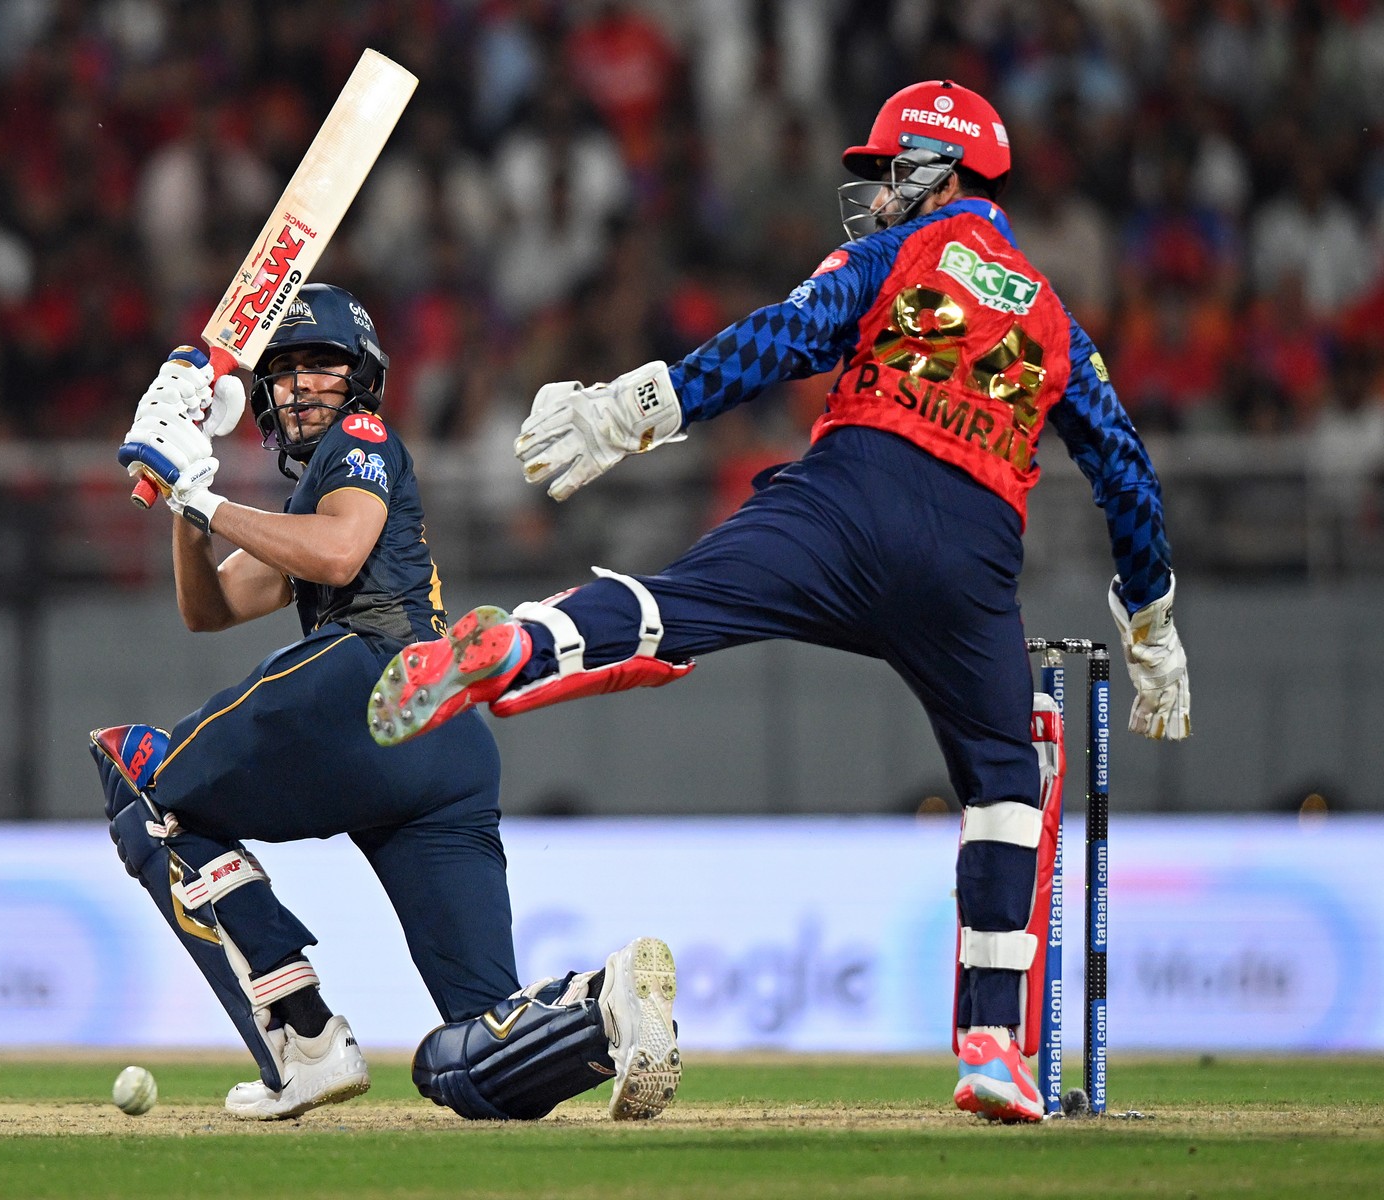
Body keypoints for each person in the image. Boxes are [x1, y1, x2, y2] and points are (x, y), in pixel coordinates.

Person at [367, 82, 1192, 1124]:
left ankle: (519, 643)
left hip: (848, 498)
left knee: (674, 608)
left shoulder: (899, 255)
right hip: (972, 553)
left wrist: (641, 405)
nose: (878, 192)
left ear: (940, 172)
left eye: (891, 171)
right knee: (1005, 785)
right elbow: (1123, 464)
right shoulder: (1057, 318)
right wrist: (1151, 618)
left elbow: (782, 338)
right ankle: (994, 1048)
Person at [92, 283, 680, 1122]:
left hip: (368, 681)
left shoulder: (360, 439)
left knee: (139, 782)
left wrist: (202, 498)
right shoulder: (309, 495)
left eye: (322, 366)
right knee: (475, 1062)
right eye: (285, 370)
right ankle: (601, 1007)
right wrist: (190, 485)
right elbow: (208, 609)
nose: (300, 385)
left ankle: (306, 1042)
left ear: (360, 378)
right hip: (445, 747)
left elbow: (336, 555)